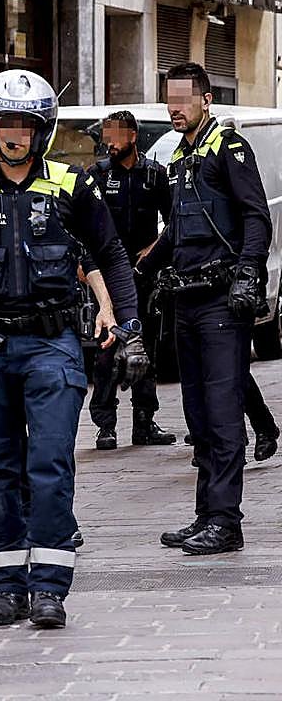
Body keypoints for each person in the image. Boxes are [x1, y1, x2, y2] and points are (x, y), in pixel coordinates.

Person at [0, 70, 148, 629]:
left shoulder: (71, 185)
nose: (13, 134)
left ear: (42, 132)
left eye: (25, 125)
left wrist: (131, 327)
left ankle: (49, 589)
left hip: (53, 345)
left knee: (48, 466)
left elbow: (112, 254)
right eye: (3, 124)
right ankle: (5, 588)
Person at [139, 62, 272, 556]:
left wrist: (246, 275)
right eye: (169, 101)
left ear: (206, 99)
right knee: (197, 414)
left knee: (221, 414)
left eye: (183, 100)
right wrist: (143, 270)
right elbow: (175, 229)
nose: (175, 109)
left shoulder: (228, 148)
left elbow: (256, 218)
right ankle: (205, 515)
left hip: (220, 299)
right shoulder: (183, 156)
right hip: (185, 300)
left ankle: (226, 520)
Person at [86, 111, 175, 449]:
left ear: (133, 137)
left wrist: (153, 248)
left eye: (115, 136)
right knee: (107, 350)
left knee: (144, 347)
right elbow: (84, 226)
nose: (109, 142)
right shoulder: (97, 175)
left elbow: (173, 224)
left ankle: (144, 422)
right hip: (108, 276)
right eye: (106, 136)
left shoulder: (154, 175)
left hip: (143, 272)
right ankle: (105, 425)